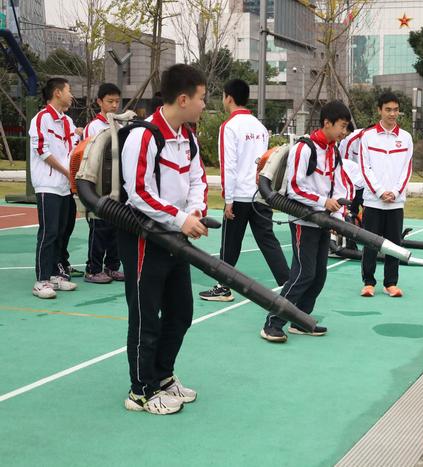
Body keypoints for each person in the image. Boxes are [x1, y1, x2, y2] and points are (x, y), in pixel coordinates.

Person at [118, 64, 209, 414]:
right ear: (183, 99)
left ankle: (163, 375)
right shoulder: (145, 135)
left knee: (181, 313)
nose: (204, 105)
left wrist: (196, 210)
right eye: (201, 98)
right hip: (146, 239)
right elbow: (139, 192)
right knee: (145, 317)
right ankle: (140, 390)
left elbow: (198, 180)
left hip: (176, 239)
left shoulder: (187, 137)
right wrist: (180, 218)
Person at [260, 100, 352, 343]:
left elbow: (339, 183)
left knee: (319, 275)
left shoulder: (334, 150)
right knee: (303, 274)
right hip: (303, 221)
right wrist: (323, 202)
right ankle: (273, 323)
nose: (344, 132)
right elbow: (293, 189)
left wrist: (339, 210)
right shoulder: (305, 149)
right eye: (342, 127)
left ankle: (301, 321)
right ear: (327, 123)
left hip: (323, 221)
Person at [199, 79, 289, 302]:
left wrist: (228, 199)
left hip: (239, 195)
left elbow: (228, 164)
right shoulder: (259, 127)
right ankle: (288, 285)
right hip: (260, 193)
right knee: (268, 241)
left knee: (230, 243)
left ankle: (223, 287)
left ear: (228, 97)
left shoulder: (229, 127)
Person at [28, 78, 80, 299]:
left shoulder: (67, 121)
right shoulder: (41, 119)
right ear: (57, 93)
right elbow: (42, 150)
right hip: (48, 185)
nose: (71, 95)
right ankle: (42, 280)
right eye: (69, 91)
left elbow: (75, 148)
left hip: (65, 187)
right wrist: (66, 171)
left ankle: (57, 275)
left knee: (63, 231)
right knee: (48, 233)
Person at [358, 92, 413, 298]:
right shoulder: (368, 136)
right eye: (388, 109)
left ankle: (390, 283)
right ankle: (368, 282)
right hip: (373, 201)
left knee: (394, 243)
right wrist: (380, 192)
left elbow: (406, 170)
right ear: (379, 110)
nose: (392, 114)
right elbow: (365, 168)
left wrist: (396, 192)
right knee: (371, 243)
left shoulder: (406, 137)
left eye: (396, 109)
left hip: (396, 202)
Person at [82, 83, 125, 284]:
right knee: (99, 229)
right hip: (99, 186)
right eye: (110, 101)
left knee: (117, 229)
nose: (114, 105)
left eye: (117, 101)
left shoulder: (120, 124)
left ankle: (112, 267)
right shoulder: (94, 126)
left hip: (117, 186)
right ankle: (93, 269)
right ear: (99, 102)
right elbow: (88, 156)